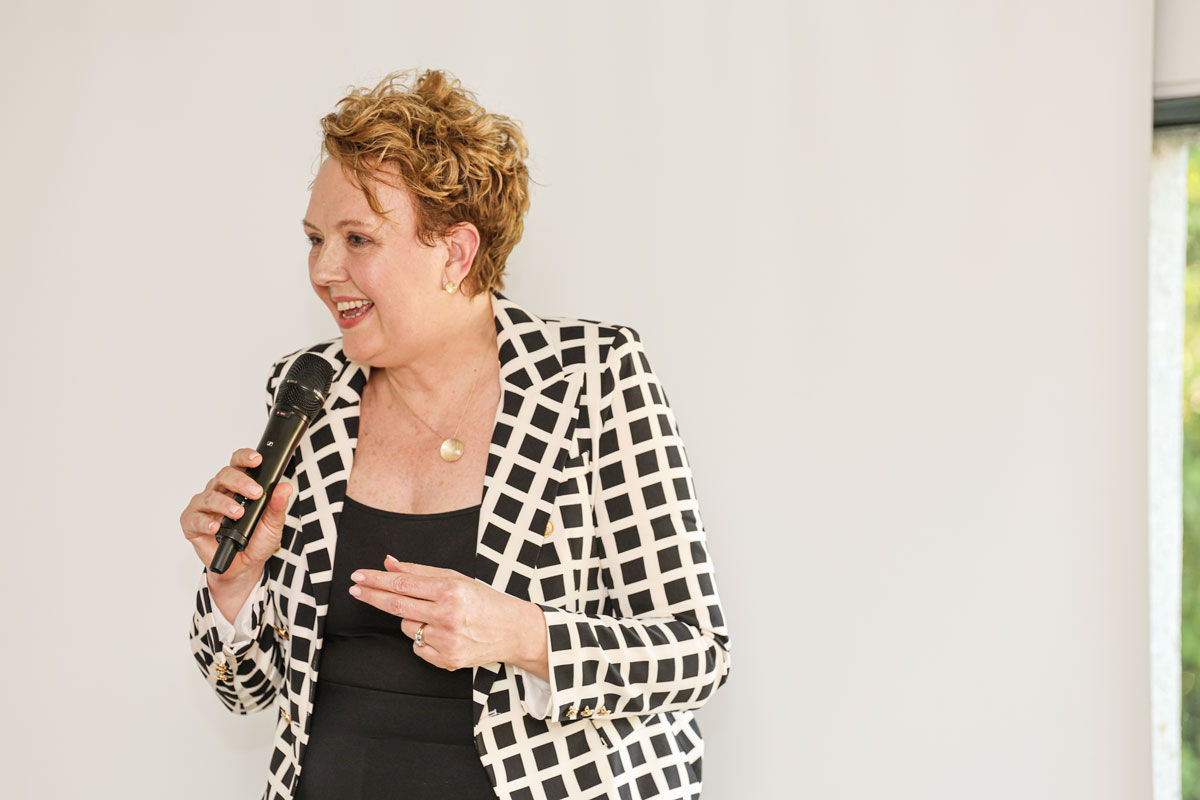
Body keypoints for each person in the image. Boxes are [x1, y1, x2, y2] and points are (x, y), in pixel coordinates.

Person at [182, 68, 730, 800]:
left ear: (456, 253)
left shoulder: (592, 376)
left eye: (357, 238)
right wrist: (235, 584)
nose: (323, 269)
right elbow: (245, 692)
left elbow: (696, 655)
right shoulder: (309, 389)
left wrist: (520, 635)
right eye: (315, 238)